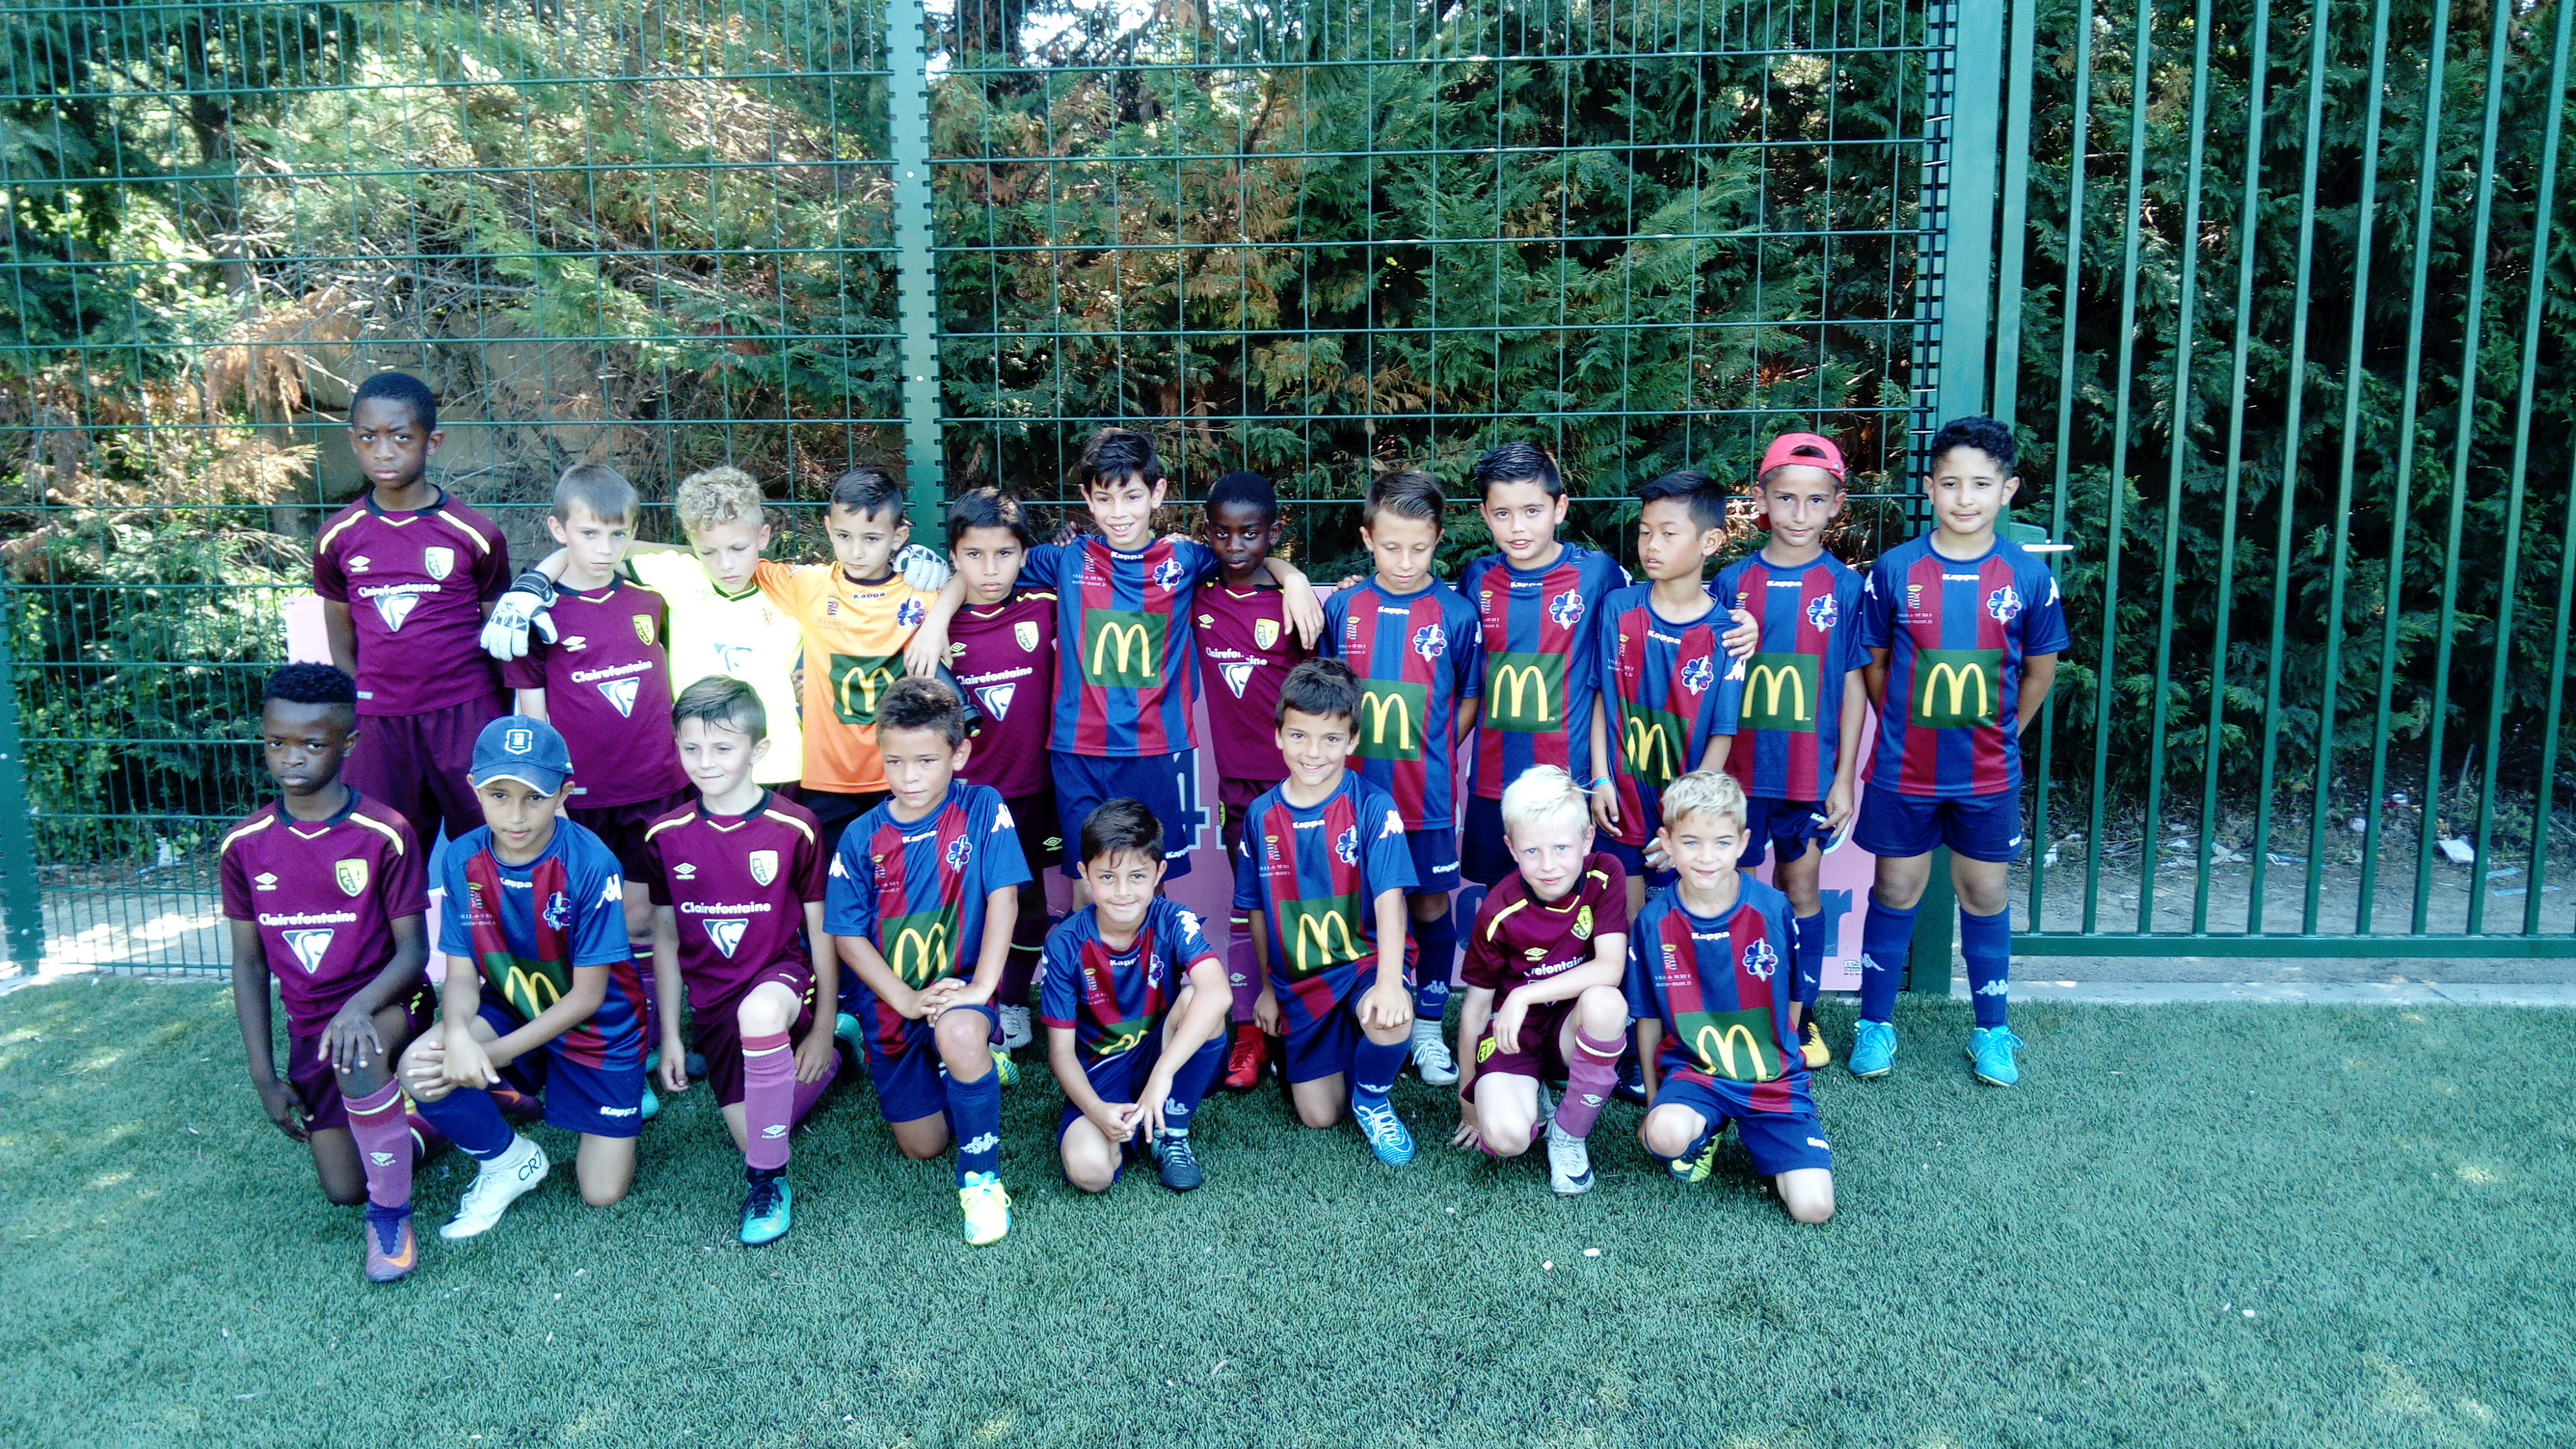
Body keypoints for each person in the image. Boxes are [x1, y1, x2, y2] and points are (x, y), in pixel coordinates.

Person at [904, 428, 1323, 891]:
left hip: (1152, 751)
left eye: (1132, 497)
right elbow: (991, 562)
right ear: (1087, 500)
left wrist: (1294, 577)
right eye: (1105, 499)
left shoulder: (1186, 560)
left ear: (1157, 494)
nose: (1119, 513)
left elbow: (1247, 558)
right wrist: (937, 620)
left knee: (1149, 876)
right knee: (1089, 881)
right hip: (1076, 750)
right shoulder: (1066, 560)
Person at [1846, 418, 2068, 1087]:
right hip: (1904, 769)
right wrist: (1900, 725)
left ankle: (1992, 1030)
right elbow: (1876, 663)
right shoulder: (1896, 570)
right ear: (1929, 487)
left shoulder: (2027, 575)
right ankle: (1874, 1024)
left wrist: (2006, 732)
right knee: (1895, 887)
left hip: (1986, 773)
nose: (1964, 498)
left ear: (2008, 490)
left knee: (1985, 891)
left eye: (1980, 484)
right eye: (1950, 484)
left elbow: (2041, 670)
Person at [221, 663, 441, 1282]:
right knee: (343, 1188)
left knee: (357, 1049)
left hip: (390, 1005)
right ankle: (435, 1119)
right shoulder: (244, 845)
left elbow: (413, 953)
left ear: (348, 744)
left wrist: (357, 1008)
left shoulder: (384, 833)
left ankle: (391, 1221)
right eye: (277, 742)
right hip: (311, 1030)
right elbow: (247, 964)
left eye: (312, 744)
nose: (292, 758)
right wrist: (264, 1076)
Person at [397, 716, 653, 1241]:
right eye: (499, 795)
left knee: (601, 1193)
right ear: (474, 788)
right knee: (419, 1068)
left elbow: (588, 997)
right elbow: (461, 974)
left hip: (600, 1030)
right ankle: (508, 1160)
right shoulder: (463, 857)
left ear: (565, 793)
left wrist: (489, 1055)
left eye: (534, 797)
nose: (515, 815)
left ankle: (531, 1089)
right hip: (513, 1006)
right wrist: (460, 1035)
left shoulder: (591, 862)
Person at [822, 677, 1031, 1245]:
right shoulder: (861, 837)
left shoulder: (982, 807)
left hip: (960, 992)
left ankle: (981, 1182)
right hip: (893, 1006)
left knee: (960, 1033)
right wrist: (907, 999)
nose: (909, 777)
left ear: (959, 755)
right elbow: (847, 937)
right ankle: (969, 1065)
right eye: (895, 762)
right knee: (923, 1146)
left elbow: (1004, 898)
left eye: (926, 761)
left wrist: (981, 987)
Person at [498, 466, 694, 1061]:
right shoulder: (536, 616)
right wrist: (551, 794)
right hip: (583, 799)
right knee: (586, 921)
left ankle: (652, 1036)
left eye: (618, 534)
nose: (605, 548)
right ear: (558, 530)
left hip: (657, 787)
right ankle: (602, 1036)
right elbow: (534, 720)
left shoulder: (651, 599)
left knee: (645, 917)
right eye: (589, 534)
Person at [641, 677, 839, 1245]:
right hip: (713, 1006)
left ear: (759, 750)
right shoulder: (664, 835)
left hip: (781, 982)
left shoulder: (795, 826)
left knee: (759, 1018)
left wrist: (822, 1025)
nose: (705, 762)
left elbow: (820, 929)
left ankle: (768, 1185)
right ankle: (839, 1060)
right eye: (691, 748)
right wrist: (671, 1036)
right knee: (756, 1131)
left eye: (723, 748)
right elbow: (666, 938)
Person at [1706, 434, 1870, 1069]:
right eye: (1785, 499)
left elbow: (1853, 685)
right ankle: (1738, 1012)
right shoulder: (1732, 582)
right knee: (1737, 894)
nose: (1799, 514)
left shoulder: (1845, 588)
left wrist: (1844, 777)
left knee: (1801, 891)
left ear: (1836, 505)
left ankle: (1800, 1018)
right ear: (1760, 500)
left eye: (1815, 500)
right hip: (1739, 780)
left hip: (1808, 777)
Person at [1319, 469, 1484, 1088]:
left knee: (1431, 904)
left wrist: (1433, 749)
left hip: (1425, 798)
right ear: (1367, 539)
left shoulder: (1456, 614)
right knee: (1356, 905)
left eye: (1420, 547)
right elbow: (1327, 699)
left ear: (1438, 539)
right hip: (1354, 799)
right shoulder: (1344, 607)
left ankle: (1428, 1028)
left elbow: (1468, 698)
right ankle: (1351, 1016)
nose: (1406, 561)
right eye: (1391, 547)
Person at [313, 370, 511, 852]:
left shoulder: (475, 533)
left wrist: (492, 713)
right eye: (369, 438)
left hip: (465, 716)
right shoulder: (338, 536)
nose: (384, 452)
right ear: (353, 441)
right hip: (381, 724)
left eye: (401, 437)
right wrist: (364, 702)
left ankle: (485, 908)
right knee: (384, 852)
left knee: (491, 849)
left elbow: (497, 634)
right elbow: (340, 633)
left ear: (432, 442)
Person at [1233, 660, 1421, 1165]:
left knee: (1388, 1018)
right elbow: (1257, 911)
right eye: (1299, 736)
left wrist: (1389, 983)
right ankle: (1331, 1052)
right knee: (1319, 1116)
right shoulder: (1261, 816)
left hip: (1363, 964)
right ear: (1279, 735)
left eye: (1331, 739)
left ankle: (1374, 1098)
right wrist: (1267, 988)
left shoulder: (1373, 806)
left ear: (1352, 741)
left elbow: (1390, 901)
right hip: (1302, 981)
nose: (1313, 753)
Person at [1626, 770, 1835, 1224]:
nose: (1707, 857)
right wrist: (1654, 1103)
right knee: (1663, 1136)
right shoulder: (1653, 922)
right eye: (1691, 842)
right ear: (1668, 842)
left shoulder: (1772, 909)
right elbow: (1647, 1018)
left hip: (1770, 1079)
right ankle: (1706, 1128)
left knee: (1814, 1209)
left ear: (1742, 843)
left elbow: (1794, 996)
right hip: (1696, 1075)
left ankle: (1777, 1140)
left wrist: (1783, 1058)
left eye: (1721, 843)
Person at [1456, 441, 1630, 889]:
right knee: (1503, 900)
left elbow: (1655, 611)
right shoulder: (1477, 578)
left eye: (1532, 511)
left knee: (1570, 901)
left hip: (1568, 785)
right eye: (1502, 513)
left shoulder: (1598, 574)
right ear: (1484, 514)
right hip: (1493, 782)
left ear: (1560, 509)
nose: (1517, 527)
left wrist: (1736, 621)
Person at [1449, 767, 1629, 1197]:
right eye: (1532, 851)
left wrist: (1525, 994)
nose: (1548, 866)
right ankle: (1532, 1097)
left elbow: (1610, 968)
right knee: (1506, 1138)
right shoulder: (1497, 910)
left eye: (1562, 848)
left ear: (1587, 839)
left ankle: (1568, 1135)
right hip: (1516, 1036)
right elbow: (1475, 1009)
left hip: (1570, 1029)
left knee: (1607, 1004)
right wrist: (1468, 1103)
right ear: (1512, 848)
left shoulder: (1605, 875)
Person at [1041, 800, 1232, 1194]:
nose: (1123, 892)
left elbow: (1218, 993)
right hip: (1101, 1074)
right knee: (1091, 1172)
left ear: (1159, 873)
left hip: (1163, 1053)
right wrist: (1097, 1111)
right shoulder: (1064, 942)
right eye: (1107, 877)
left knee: (1198, 999)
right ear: (1085, 874)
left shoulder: (1173, 919)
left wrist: (1162, 1074)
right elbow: (1060, 1054)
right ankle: (1125, 1126)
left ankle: (1171, 1131)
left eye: (1138, 876)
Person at [942, 487, 1062, 1082]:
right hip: (967, 797)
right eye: (974, 555)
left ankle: (1014, 1002)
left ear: (1024, 555)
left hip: (1035, 788)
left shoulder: (1045, 604)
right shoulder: (934, 622)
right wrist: (935, 616)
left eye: (1004, 554)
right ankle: (971, 1009)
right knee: (968, 906)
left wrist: (1289, 574)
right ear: (954, 557)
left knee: (1029, 902)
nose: (990, 570)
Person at [1194, 470, 1309, 1091]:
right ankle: (1248, 1033)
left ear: (1274, 532)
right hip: (1236, 791)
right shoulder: (1197, 593)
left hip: (1296, 793)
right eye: (1222, 533)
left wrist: (1294, 578)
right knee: (1247, 908)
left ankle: (1298, 1022)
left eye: (1250, 533)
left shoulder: (1295, 604)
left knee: (1296, 907)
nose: (1235, 545)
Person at [1594, 469, 1734, 920]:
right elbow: (1602, 699)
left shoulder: (1728, 634)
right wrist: (1600, 779)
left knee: (1674, 928)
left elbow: (1722, 734)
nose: (1651, 545)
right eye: (1645, 532)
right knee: (1623, 922)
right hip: (1618, 802)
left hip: (1683, 813)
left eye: (1668, 534)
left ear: (1711, 542)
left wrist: (1684, 819)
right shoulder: (1618, 608)